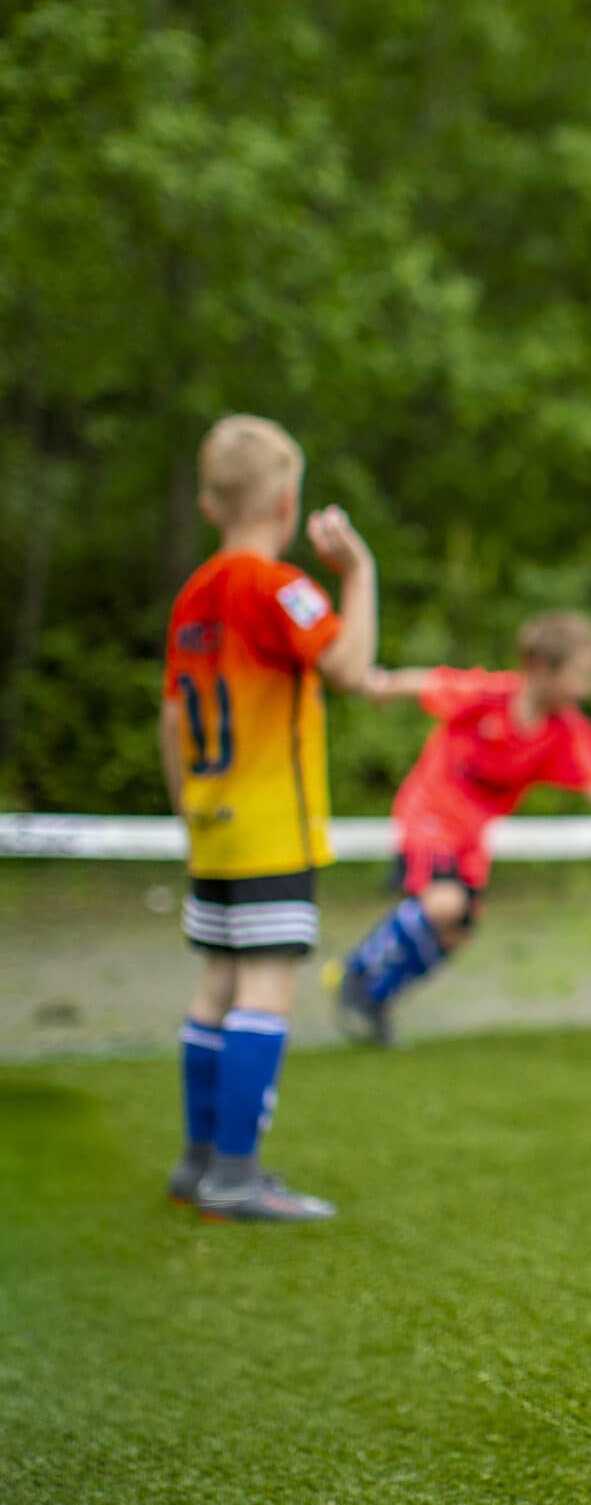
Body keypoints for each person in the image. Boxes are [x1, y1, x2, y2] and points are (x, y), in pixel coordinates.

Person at [162, 414, 380, 1223]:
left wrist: (186, 808)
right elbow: (349, 667)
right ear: (287, 503)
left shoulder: (193, 593)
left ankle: (196, 1161)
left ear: (209, 503)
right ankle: (236, 1175)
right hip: (273, 826)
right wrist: (359, 575)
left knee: (215, 983)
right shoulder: (278, 585)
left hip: (211, 822)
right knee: (264, 988)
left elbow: (172, 720)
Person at [326, 612, 591, 1043]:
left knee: (458, 931)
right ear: (542, 667)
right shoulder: (489, 697)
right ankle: (356, 974)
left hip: (471, 834)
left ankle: (376, 1000)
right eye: (580, 674)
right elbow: (430, 683)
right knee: (443, 904)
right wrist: (381, 686)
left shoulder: (565, 730)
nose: (587, 688)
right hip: (430, 813)